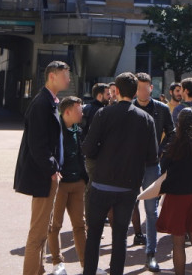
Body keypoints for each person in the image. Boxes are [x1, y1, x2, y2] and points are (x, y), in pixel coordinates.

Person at [82, 72, 159, 275]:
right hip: (129, 185)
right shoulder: (146, 119)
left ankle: (89, 271)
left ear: (115, 90)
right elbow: (152, 156)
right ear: (135, 92)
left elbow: (88, 147)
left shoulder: (103, 114)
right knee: (120, 235)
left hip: (102, 182)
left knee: (94, 234)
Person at [14, 61, 71, 275]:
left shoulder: (49, 101)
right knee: (37, 234)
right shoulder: (42, 103)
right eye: (65, 75)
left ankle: (39, 270)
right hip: (43, 176)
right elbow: (37, 144)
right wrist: (52, 170)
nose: (68, 79)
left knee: (41, 230)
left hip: (45, 174)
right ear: (52, 76)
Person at [157, 109, 192, 275]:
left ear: (179, 123)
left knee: (178, 241)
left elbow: (163, 166)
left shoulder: (174, 141)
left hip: (177, 194)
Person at [130, 72, 175, 271]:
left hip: (151, 164)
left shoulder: (162, 109)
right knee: (125, 205)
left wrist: (162, 149)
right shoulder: (127, 107)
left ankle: (151, 252)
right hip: (129, 165)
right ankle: (120, 250)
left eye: (145, 87)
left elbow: (172, 133)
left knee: (151, 209)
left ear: (151, 88)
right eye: (138, 88)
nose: (142, 91)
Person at [48, 96, 88, 275]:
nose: (82, 113)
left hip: (77, 183)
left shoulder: (78, 129)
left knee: (80, 225)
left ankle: (86, 265)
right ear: (68, 112)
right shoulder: (55, 130)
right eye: (79, 110)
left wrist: (83, 178)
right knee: (55, 225)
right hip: (61, 185)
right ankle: (57, 263)